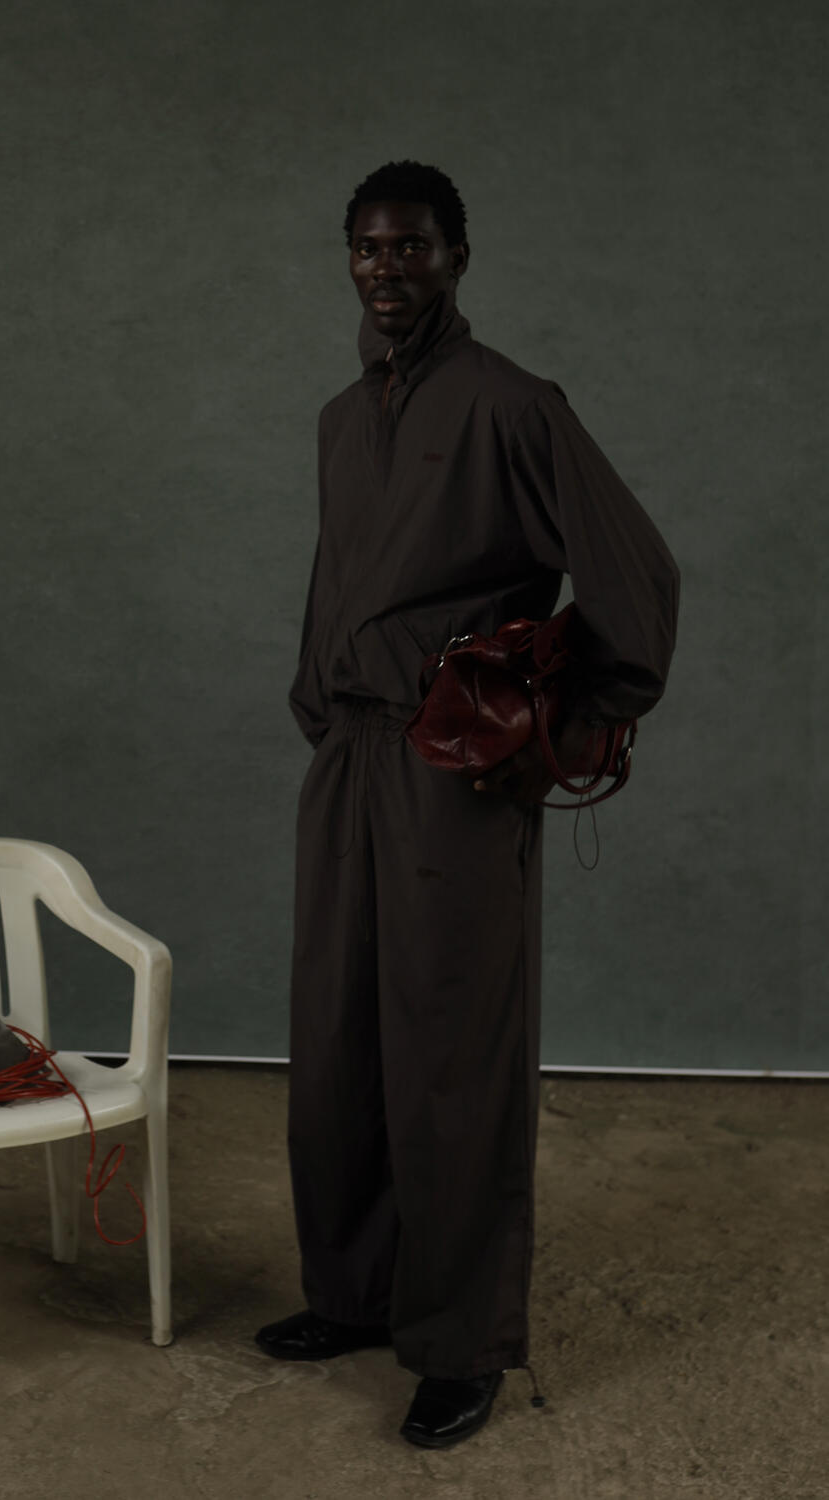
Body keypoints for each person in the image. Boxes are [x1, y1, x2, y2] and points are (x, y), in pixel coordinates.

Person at [254, 160, 680, 1449]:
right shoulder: (340, 419)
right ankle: (356, 1292)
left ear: (457, 256)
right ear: (347, 259)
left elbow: (636, 576)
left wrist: (565, 735)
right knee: (339, 1042)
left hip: (453, 769)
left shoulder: (512, 404)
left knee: (453, 1055)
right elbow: (338, 583)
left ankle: (463, 1342)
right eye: (368, 248)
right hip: (351, 759)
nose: (387, 268)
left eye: (413, 246)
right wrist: (326, 711)